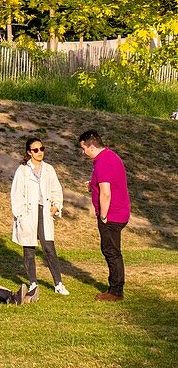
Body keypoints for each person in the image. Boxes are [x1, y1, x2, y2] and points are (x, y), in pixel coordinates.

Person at [11, 137, 69, 296]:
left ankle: (58, 283)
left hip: (44, 212)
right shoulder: (22, 170)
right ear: (29, 152)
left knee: (49, 248)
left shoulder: (49, 169)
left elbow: (57, 189)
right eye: (35, 150)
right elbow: (16, 194)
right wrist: (21, 215)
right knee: (29, 249)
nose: (39, 153)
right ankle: (33, 283)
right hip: (29, 213)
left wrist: (56, 205)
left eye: (41, 149)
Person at [79, 129, 131, 301]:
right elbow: (104, 183)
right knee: (112, 250)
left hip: (112, 216)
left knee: (111, 251)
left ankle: (115, 291)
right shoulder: (109, 156)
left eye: (83, 148)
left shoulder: (102, 162)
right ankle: (116, 287)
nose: (83, 152)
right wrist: (91, 185)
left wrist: (103, 216)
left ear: (91, 145)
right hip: (119, 212)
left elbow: (106, 193)